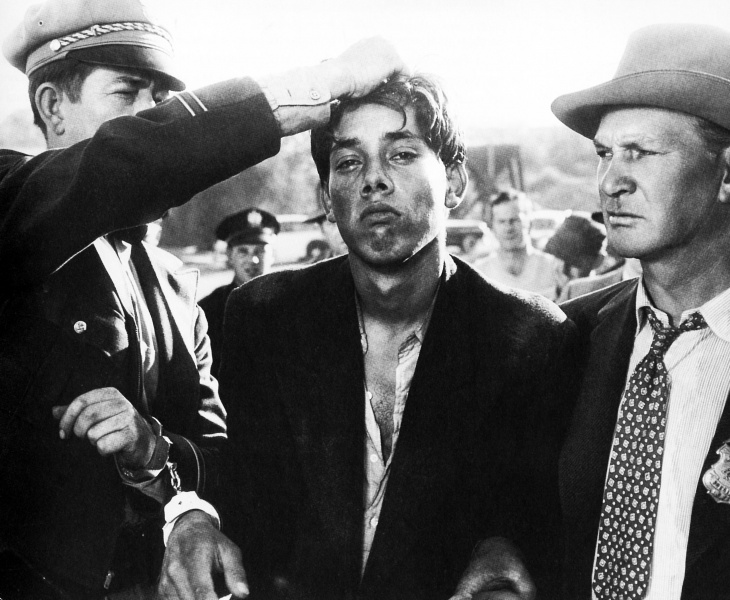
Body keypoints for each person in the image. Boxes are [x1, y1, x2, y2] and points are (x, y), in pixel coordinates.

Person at [0, 0, 406, 595]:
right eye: (127, 92)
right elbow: (130, 158)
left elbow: (215, 458)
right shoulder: (10, 202)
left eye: (162, 98)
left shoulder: (172, 284)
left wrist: (154, 452)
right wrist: (324, 82)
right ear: (52, 106)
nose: (150, 112)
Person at [158, 74, 577, 600]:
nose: (373, 179)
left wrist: (502, 550)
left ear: (453, 182)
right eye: (349, 162)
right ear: (327, 199)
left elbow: (537, 516)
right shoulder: (263, 318)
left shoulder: (527, 337)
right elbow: (237, 478)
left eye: (401, 154)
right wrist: (191, 516)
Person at [552, 23, 730, 599]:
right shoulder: (565, 338)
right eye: (604, 154)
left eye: (642, 153)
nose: (610, 182)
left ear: (726, 174)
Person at [199, 208, 279, 377]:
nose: (253, 260)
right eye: (243, 251)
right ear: (230, 255)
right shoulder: (209, 309)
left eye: (260, 251)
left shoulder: (288, 302)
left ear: (273, 254)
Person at [473, 189, 566, 300]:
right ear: (492, 227)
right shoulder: (480, 273)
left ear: (529, 224)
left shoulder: (554, 269)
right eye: (501, 222)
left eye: (514, 220)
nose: (508, 228)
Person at [542, 213, 606, 301]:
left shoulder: (602, 299)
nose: (561, 268)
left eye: (573, 262)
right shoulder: (543, 300)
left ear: (598, 261)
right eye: (558, 257)